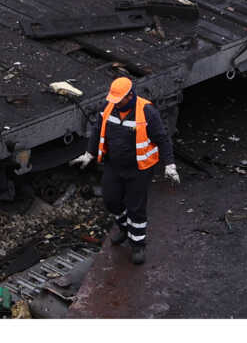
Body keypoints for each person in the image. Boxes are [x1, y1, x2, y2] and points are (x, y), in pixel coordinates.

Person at [70, 77, 179, 265]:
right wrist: (89, 153)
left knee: (136, 207)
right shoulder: (109, 106)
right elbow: (97, 129)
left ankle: (137, 245)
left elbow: (162, 139)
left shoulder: (147, 112)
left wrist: (170, 165)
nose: (115, 103)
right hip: (114, 165)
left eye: (118, 100)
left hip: (139, 169)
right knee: (111, 199)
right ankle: (124, 227)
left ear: (130, 96)